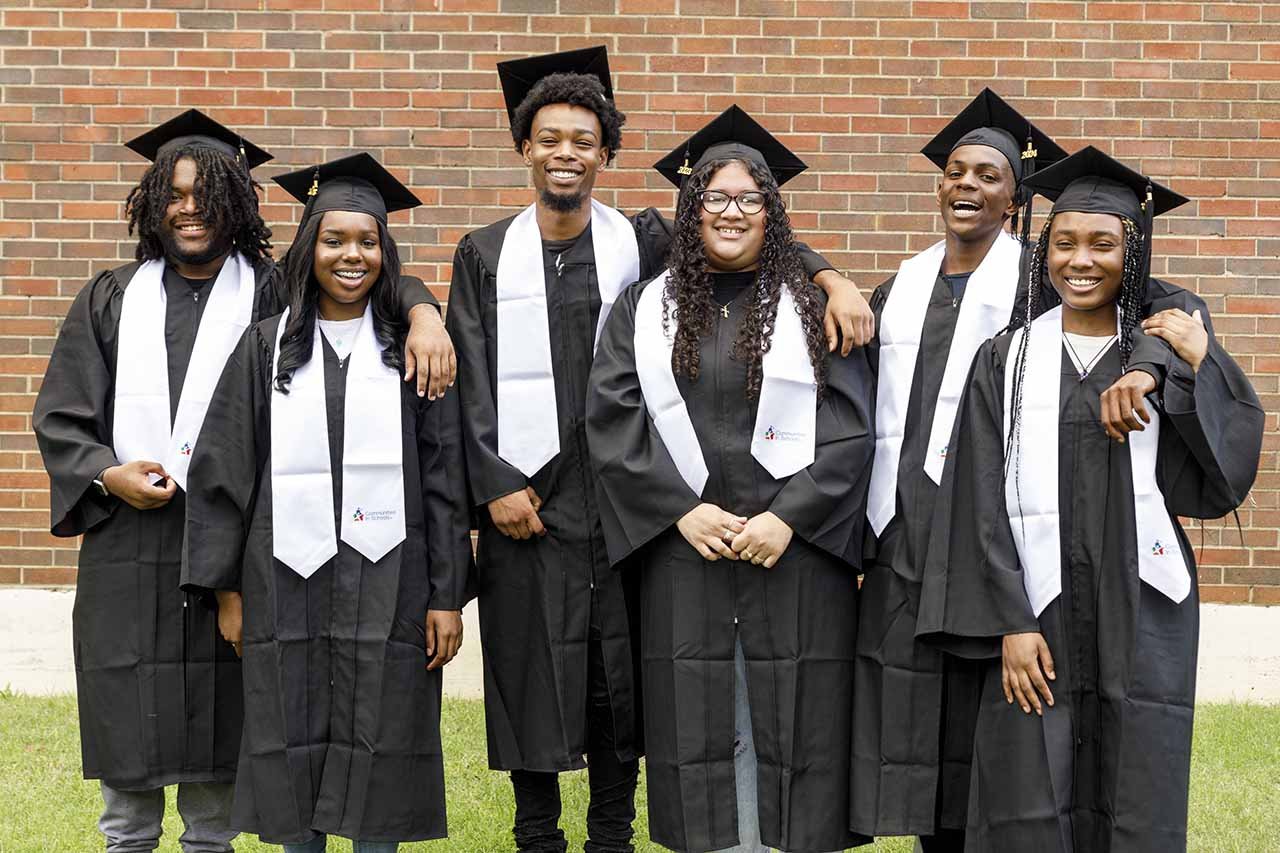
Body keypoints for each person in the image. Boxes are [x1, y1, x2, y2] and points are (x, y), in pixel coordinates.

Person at [446, 47, 872, 853]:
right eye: (550, 137)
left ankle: (614, 835)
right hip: (560, 505)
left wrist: (831, 276)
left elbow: (756, 247)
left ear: (606, 153)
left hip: (636, 519)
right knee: (538, 676)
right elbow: (513, 386)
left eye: (583, 139)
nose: (566, 152)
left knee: (622, 682)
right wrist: (495, 478)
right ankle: (537, 835)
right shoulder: (497, 256)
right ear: (524, 147)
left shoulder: (643, 244)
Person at [31, 110, 453, 853]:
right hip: (131, 546)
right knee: (131, 759)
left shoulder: (273, 298)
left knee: (233, 737)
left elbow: (361, 269)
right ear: (153, 201)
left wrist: (421, 307)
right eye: (174, 193)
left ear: (238, 204)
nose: (189, 207)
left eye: (208, 193)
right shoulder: (111, 296)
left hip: (252, 553)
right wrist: (105, 473)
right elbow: (62, 413)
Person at [916, 146, 1264, 852]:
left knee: (1135, 782)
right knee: (1025, 792)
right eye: (1065, 242)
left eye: (1103, 244)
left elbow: (1224, 472)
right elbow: (975, 498)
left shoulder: (1164, 352)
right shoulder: (1004, 359)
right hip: (1032, 616)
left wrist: (1187, 370)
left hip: (1143, 604)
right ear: (1043, 250)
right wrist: (1008, 621)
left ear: (1131, 256)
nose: (1081, 260)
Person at [586, 107, 875, 853]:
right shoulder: (645, 310)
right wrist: (681, 512)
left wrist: (793, 515)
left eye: (751, 198)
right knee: (695, 720)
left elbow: (851, 428)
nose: (732, 212)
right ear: (691, 209)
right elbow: (613, 422)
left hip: (796, 555)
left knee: (800, 717)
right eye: (715, 197)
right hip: (689, 553)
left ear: (773, 214)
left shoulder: (814, 307)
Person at [181, 153, 474, 852]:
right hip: (283, 580)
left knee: (385, 735)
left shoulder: (414, 351)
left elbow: (444, 479)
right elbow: (224, 473)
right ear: (308, 247)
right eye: (334, 239)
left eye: (368, 241)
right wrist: (227, 590)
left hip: (392, 583)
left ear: (387, 252)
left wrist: (446, 596)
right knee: (293, 735)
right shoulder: (264, 348)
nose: (352, 255)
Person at [850, 89, 1067, 850]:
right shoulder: (899, 286)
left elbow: (1141, 299)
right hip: (902, 530)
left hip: (982, 530)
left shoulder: (1039, 284)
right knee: (908, 711)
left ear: (1015, 198)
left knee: (975, 720)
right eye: (955, 171)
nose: (966, 184)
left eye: (987, 174)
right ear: (940, 185)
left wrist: (1181, 334)